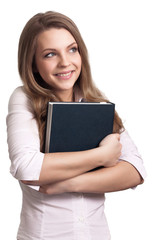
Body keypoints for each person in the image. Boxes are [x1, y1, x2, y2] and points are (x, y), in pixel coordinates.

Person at [6, 11, 146, 240]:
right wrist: (102, 156)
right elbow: (26, 166)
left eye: (72, 49)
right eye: (50, 54)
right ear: (32, 64)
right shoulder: (24, 98)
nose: (65, 62)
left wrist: (67, 183)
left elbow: (135, 170)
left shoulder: (96, 103)